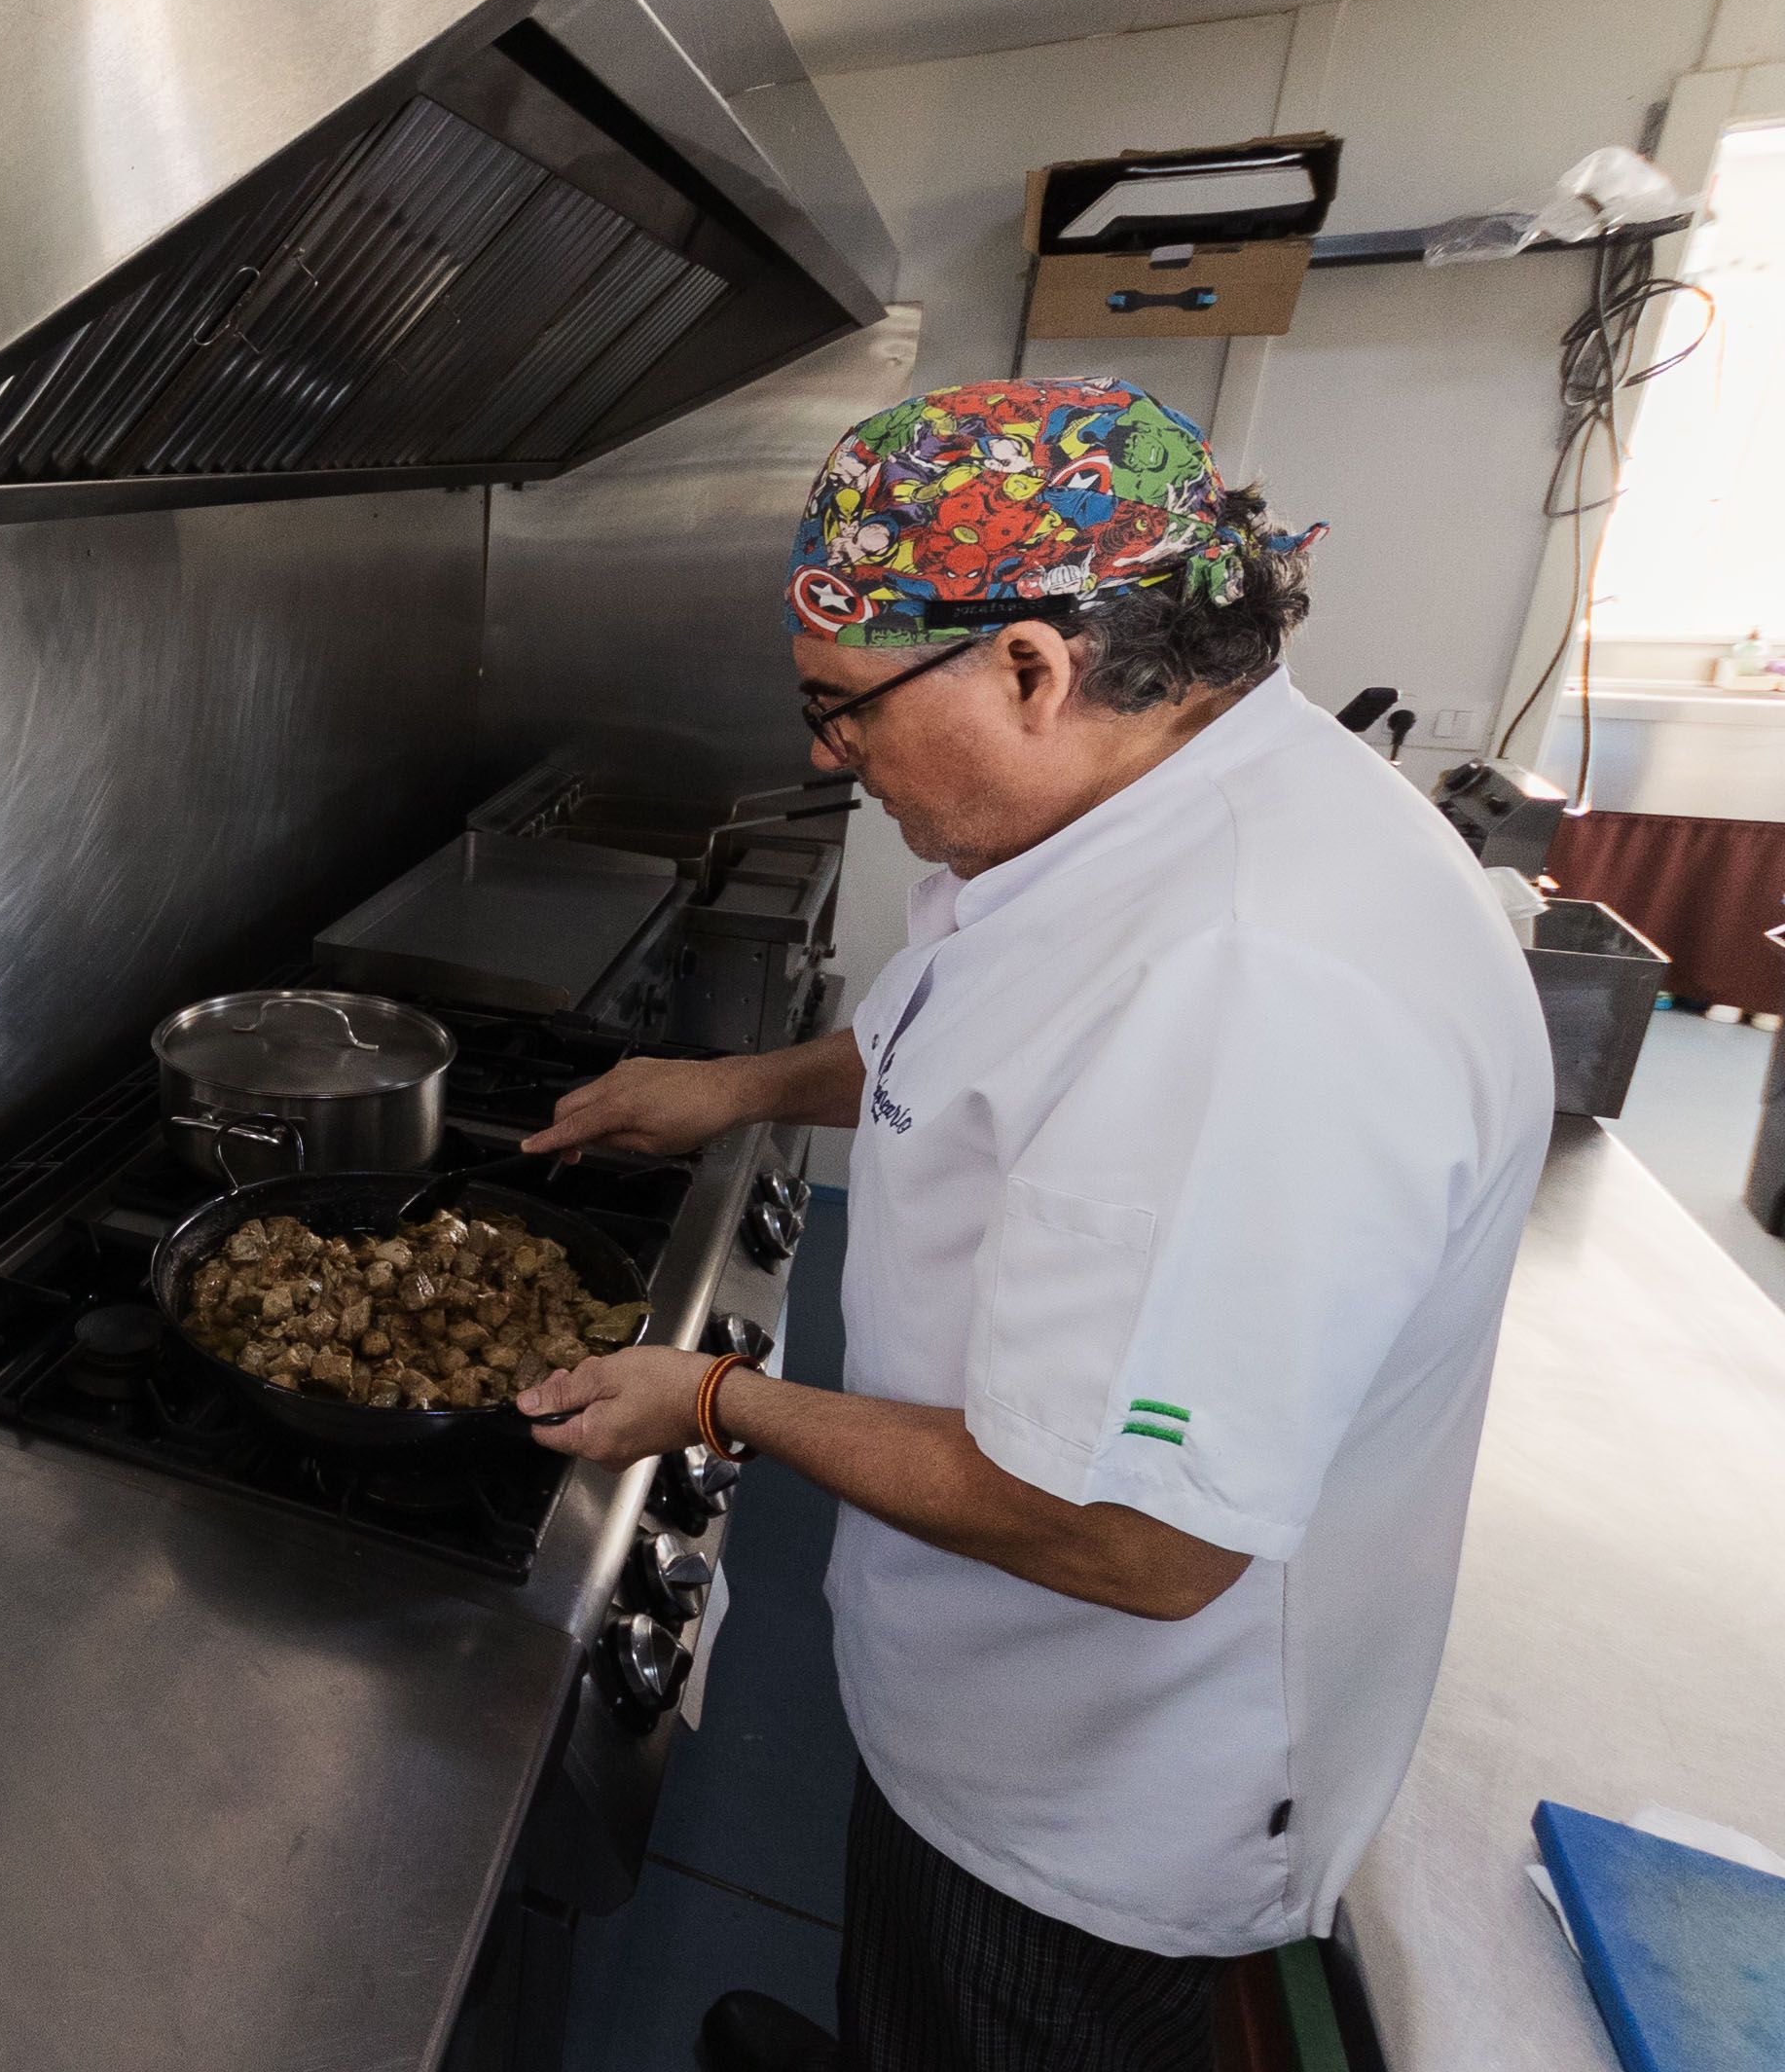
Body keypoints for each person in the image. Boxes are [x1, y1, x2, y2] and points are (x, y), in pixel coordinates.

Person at [516, 378, 1553, 2072]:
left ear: (1030, 666)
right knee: (905, 1994)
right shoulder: (1134, 811)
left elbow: (1134, 1540)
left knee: (980, 2017)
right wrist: (733, 1089)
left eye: (841, 709)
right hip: (975, 1684)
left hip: (1097, 1798)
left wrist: (714, 1399)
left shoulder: (1257, 984)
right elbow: (985, 1042)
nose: (821, 755)